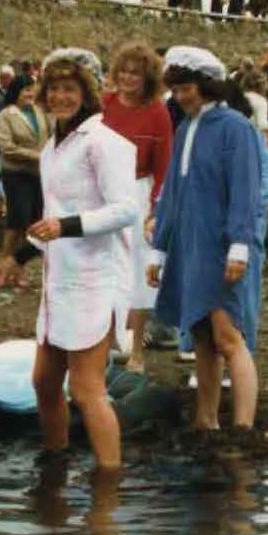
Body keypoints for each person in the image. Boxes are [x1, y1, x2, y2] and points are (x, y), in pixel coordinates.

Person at [0, 47, 140, 468]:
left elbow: (125, 209)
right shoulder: (55, 146)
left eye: (69, 89)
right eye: (53, 89)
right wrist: (16, 257)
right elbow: (51, 221)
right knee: (43, 382)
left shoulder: (105, 143)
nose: (60, 96)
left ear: (87, 93)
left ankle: (109, 485)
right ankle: (54, 467)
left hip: (94, 279)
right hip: (59, 282)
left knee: (88, 388)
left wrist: (67, 226)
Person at [149, 47, 266, 430]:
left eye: (188, 88)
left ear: (207, 85)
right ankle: (206, 420)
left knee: (228, 336)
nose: (182, 97)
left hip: (221, 247)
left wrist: (240, 244)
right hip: (190, 247)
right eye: (177, 90)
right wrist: (160, 250)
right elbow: (172, 195)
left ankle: (244, 426)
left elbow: (246, 191)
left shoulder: (237, 127)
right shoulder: (184, 130)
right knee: (200, 336)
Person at [98, 42, 174, 368]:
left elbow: (163, 164)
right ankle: (107, 340)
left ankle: (138, 349)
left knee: (140, 269)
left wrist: (156, 209)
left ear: (148, 78)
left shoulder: (158, 112)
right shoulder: (105, 104)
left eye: (136, 73)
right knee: (103, 265)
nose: (128, 78)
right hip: (103, 192)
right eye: (124, 71)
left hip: (139, 191)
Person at [0, 76, 45, 277]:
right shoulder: (7, 115)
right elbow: (6, 147)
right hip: (16, 174)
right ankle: (4, 264)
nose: (30, 94)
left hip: (37, 174)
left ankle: (18, 267)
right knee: (17, 221)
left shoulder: (39, 112)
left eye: (32, 90)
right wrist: (34, 155)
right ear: (16, 92)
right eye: (25, 90)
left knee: (34, 221)